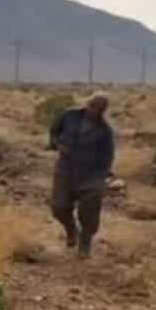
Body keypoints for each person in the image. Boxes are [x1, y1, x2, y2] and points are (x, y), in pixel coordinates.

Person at [49, 94, 115, 257]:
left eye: (98, 108)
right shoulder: (69, 116)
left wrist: (100, 178)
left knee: (89, 212)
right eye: (91, 105)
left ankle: (85, 244)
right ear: (87, 103)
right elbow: (54, 130)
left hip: (90, 175)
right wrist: (56, 144)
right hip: (65, 169)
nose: (92, 110)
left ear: (103, 111)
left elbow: (107, 156)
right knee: (59, 207)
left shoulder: (105, 130)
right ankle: (72, 230)